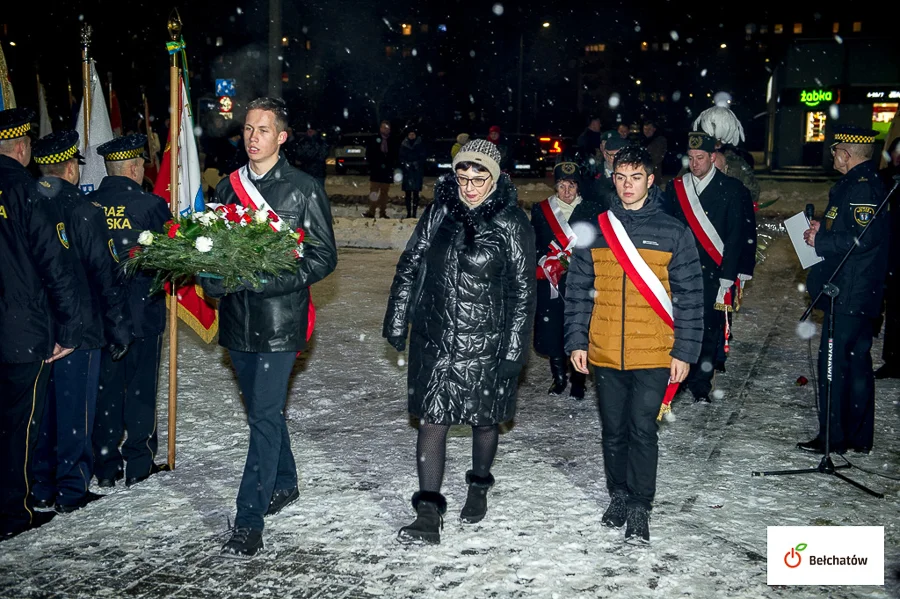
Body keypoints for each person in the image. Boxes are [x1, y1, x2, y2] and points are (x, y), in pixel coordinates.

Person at [200, 97, 338, 558]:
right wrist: (211, 280)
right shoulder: (226, 187)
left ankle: (248, 520)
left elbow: (323, 257)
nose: (252, 137)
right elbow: (213, 251)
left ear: (281, 136)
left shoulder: (303, 188)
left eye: (263, 129)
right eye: (247, 129)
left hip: (280, 322)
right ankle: (284, 481)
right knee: (266, 411)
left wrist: (267, 280)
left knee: (261, 416)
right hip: (238, 323)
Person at [383, 139, 535, 545]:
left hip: (488, 340)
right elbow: (411, 263)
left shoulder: (512, 222)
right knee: (433, 420)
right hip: (435, 337)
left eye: (478, 177)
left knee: (484, 419)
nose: (469, 186)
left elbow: (523, 292)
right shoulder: (439, 212)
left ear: (496, 176)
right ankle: (428, 511)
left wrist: (514, 350)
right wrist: (397, 319)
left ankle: (479, 484)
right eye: (463, 177)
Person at [565, 145, 703, 544]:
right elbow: (577, 290)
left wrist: (684, 352)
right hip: (605, 350)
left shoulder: (673, 231)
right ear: (614, 179)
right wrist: (577, 340)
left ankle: (641, 506)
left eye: (636, 177)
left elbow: (691, 297)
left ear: (650, 180)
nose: (628, 186)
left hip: (655, 352)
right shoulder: (597, 228)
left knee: (642, 430)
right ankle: (619, 496)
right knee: (613, 430)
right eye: (621, 177)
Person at [29, 131, 132, 515]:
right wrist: (118, 326)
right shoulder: (84, 210)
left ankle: (40, 485)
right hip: (81, 326)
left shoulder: (26, 203)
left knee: (42, 410)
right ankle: (71, 488)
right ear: (71, 168)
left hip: (37, 325)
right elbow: (103, 274)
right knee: (75, 411)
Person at [0, 107, 83, 539]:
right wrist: (68, 328)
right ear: (22, 148)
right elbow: (53, 264)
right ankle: (15, 513)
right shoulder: (28, 192)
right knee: (18, 426)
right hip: (21, 330)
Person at [798, 126, 889, 455]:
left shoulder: (862, 187)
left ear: (846, 154)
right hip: (853, 291)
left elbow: (864, 239)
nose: (833, 156)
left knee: (835, 367)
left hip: (850, 293)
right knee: (855, 365)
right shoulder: (856, 183)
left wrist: (819, 240)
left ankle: (834, 438)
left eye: (836, 150)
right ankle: (856, 437)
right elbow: (853, 229)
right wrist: (826, 228)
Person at [91, 134, 172, 489]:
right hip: (142, 313)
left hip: (102, 317)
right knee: (140, 390)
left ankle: (105, 464)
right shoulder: (151, 205)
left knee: (106, 390)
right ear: (136, 168)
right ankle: (138, 461)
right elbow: (171, 257)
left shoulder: (88, 205)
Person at [664, 132, 747, 403]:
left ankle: (702, 384)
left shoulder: (732, 189)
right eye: (691, 158)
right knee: (681, 325)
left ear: (713, 157)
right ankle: (681, 377)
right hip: (681, 270)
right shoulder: (676, 188)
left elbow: (737, 236)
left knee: (709, 329)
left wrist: (729, 275)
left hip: (714, 272)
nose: (695, 163)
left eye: (701, 158)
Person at [531, 161, 588, 399]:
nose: (566, 191)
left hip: (582, 282)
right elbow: (533, 244)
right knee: (553, 328)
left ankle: (578, 381)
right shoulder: (541, 210)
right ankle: (559, 378)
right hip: (551, 282)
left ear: (578, 187)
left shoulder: (591, 210)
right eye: (562, 185)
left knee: (578, 329)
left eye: (572, 185)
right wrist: (544, 260)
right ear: (555, 187)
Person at [692, 106, 760, 205]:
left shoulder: (736, 163)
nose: (716, 141)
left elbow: (752, 194)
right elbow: (682, 189)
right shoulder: (696, 159)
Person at [875, 136, 900, 379]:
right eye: (896, 152)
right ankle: (892, 359)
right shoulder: (884, 179)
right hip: (889, 253)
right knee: (891, 307)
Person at [364, 120, 396, 218]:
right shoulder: (374, 139)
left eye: (387, 128)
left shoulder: (392, 140)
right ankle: (371, 211)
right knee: (374, 192)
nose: (385, 130)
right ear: (380, 128)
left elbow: (394, 155)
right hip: (376, 170)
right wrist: (371, 165)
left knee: (384, 193)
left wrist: (391, 166)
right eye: (384, 127)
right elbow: (369, 153)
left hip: (387, 171)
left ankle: (382, 212)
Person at [399, 128, 426, 218]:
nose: (411, 136)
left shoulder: (420, 144)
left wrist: (416, 163)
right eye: (410, 134)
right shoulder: (404, 145)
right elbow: (401, 157)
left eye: (413, 134)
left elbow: (423, 156)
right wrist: (405, 163)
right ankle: (408, 212)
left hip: (416, 172)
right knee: (407, 194)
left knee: (415, 194)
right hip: (407, 172)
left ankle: (414, 213)